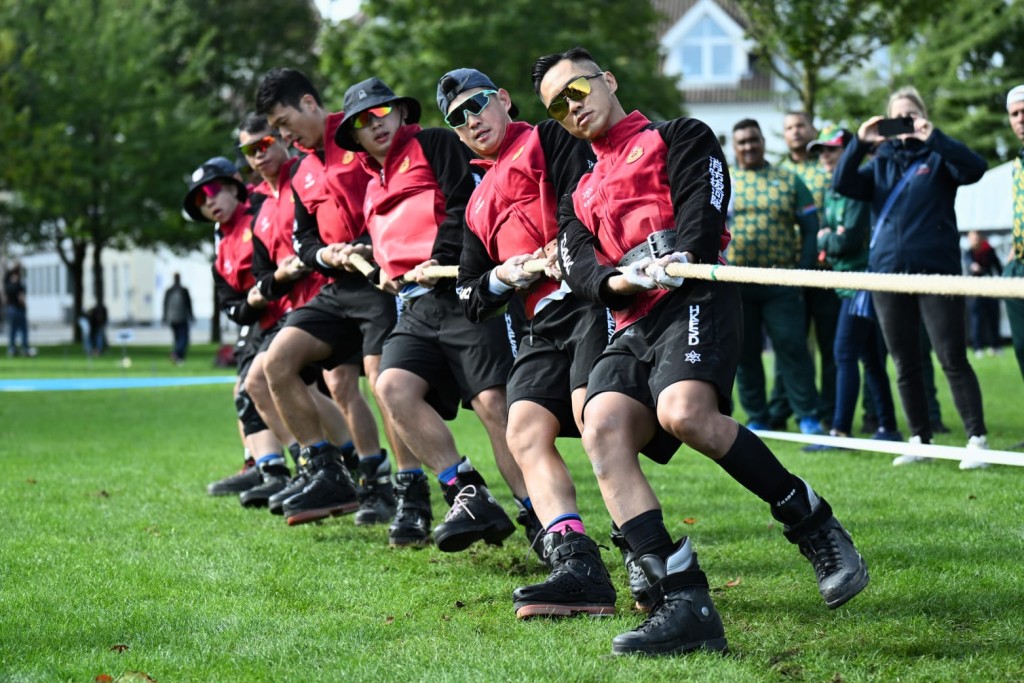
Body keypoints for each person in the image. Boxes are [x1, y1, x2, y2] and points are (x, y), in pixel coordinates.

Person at [534, 46, 868, 657]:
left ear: (607, 80)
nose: (571, 108)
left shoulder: (679, 134)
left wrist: (682, 257)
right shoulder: (576, 187)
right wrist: (618, 282)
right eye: (557, 105)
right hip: (630, 318)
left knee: (684, 415)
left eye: (577, 90)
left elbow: (704, 207)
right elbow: (580, 264)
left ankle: (813, 523)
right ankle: (682, 602)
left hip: (695, 296)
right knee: (601, 427)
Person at [437, 67, 619, 615]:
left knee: (596, 421)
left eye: (477, 105)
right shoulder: (474, 204)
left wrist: (559, 248)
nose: (471, 121)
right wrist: (507, 274)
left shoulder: (550, 136)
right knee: (523, 428)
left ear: (504, 101)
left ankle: (648, 555)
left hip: (590, 300)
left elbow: (583, 196)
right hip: (542, 321)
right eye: (457, 119)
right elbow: (470, 294)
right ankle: (575, 562)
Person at [333, 76, 536, 554]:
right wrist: (376, 258)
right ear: (354, 135)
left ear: (402, 114)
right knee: (390, 387)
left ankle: (541, 519)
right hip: (415, 304)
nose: (375, 125)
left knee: (493, 406)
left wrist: (439, 258)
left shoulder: (436, 142)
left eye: (382, 112)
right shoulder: (370, 181)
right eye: (363, 121)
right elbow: (397, 235)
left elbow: (465, 204)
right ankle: (465, 491)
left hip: (461, 291)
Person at [255, 68, 406, 530]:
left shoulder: (358, 136)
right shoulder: (300, 166)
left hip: (381, 282)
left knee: (382, 384)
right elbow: (303, 240)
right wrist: (324, 253)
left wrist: (365, 244)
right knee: (274, 365)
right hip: (335, 286)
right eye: (275, 129)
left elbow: (394, 196)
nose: (282, 135)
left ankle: (405, 489)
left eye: (284, 122)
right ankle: (326, 471)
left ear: (308, 103)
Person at [834, 85, 990, 470]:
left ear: (921, 117)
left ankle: (977, 439)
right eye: (897, 117)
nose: (903, 123)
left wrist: (932, 136)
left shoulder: (939, 158)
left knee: (951, 356)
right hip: (887, 274)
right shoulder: (881, 162)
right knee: (904, 361)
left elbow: (976, 168)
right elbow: (842, 183)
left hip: (937, 272)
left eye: (910, 115)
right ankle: (920, 437)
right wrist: (860, 141)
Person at [801, 126, 901, 451]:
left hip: (861, 281)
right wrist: (833, 237)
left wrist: (827, 239)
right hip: (849, 281)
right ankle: (887, 426)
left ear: (848, 151)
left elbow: (846, 239)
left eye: (831, 149)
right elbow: (837, 237)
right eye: (820, 151)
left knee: (844, 352)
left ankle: (840, 432)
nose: (825, 156)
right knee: (870, 357)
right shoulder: (832, 189)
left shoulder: (854, 185)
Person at [729, 118, 825, 435]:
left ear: (763, 142)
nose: (748, 146)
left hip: (781, 282)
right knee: (745, 352)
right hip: (737, 283)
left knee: (792, 347)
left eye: (753, 140)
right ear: (734, 146)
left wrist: (804, 268)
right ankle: (757, 418)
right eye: (742, 141)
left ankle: (808, 417)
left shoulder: (789, 179)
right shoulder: (724, 182)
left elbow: (811, 228)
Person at [774, 111, 839, 429]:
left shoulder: (827, 167)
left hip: (827, 270)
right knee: (789, 344)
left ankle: (830, 410)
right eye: (789, 127)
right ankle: (783, 410)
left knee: (831, 345)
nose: (795, 132)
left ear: (812, 130)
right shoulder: (779, 172)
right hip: (789, 272)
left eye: (801, 125)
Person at [1006, 84, 1024, 384]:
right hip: (1018, 264)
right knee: (1021, 346)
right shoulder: (1017, 163)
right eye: (1015, 114)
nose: (1020, 119)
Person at [962, 230, 1002, 357]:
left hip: (990, 288)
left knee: (993, 318)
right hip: (975, 291)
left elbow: (998, 267)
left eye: (977, 238)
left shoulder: (989, 251)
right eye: (973, 238)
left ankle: (995, 345)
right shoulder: (968, 253)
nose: (975, 240)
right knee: (976, 320)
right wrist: (973, 267)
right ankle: (978, 347)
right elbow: (969, 265)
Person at [162, 273, 194, 365]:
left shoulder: (170, 291)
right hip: (181, 318)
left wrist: (165, 317)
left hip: (174, 318)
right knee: (183, 338)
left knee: (178, 338)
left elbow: (165, 305)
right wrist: (191, 316)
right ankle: (177, 353)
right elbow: (189, 304)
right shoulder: (182, 291)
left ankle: (178, 356)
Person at [4, 262, 30, 357]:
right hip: (16, 308)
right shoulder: (16, 280)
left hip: (14, 308)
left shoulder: (10, 280)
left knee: (16, 330)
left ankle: (16, 348)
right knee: (19, 330)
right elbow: (18, 295)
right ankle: (20, 348)